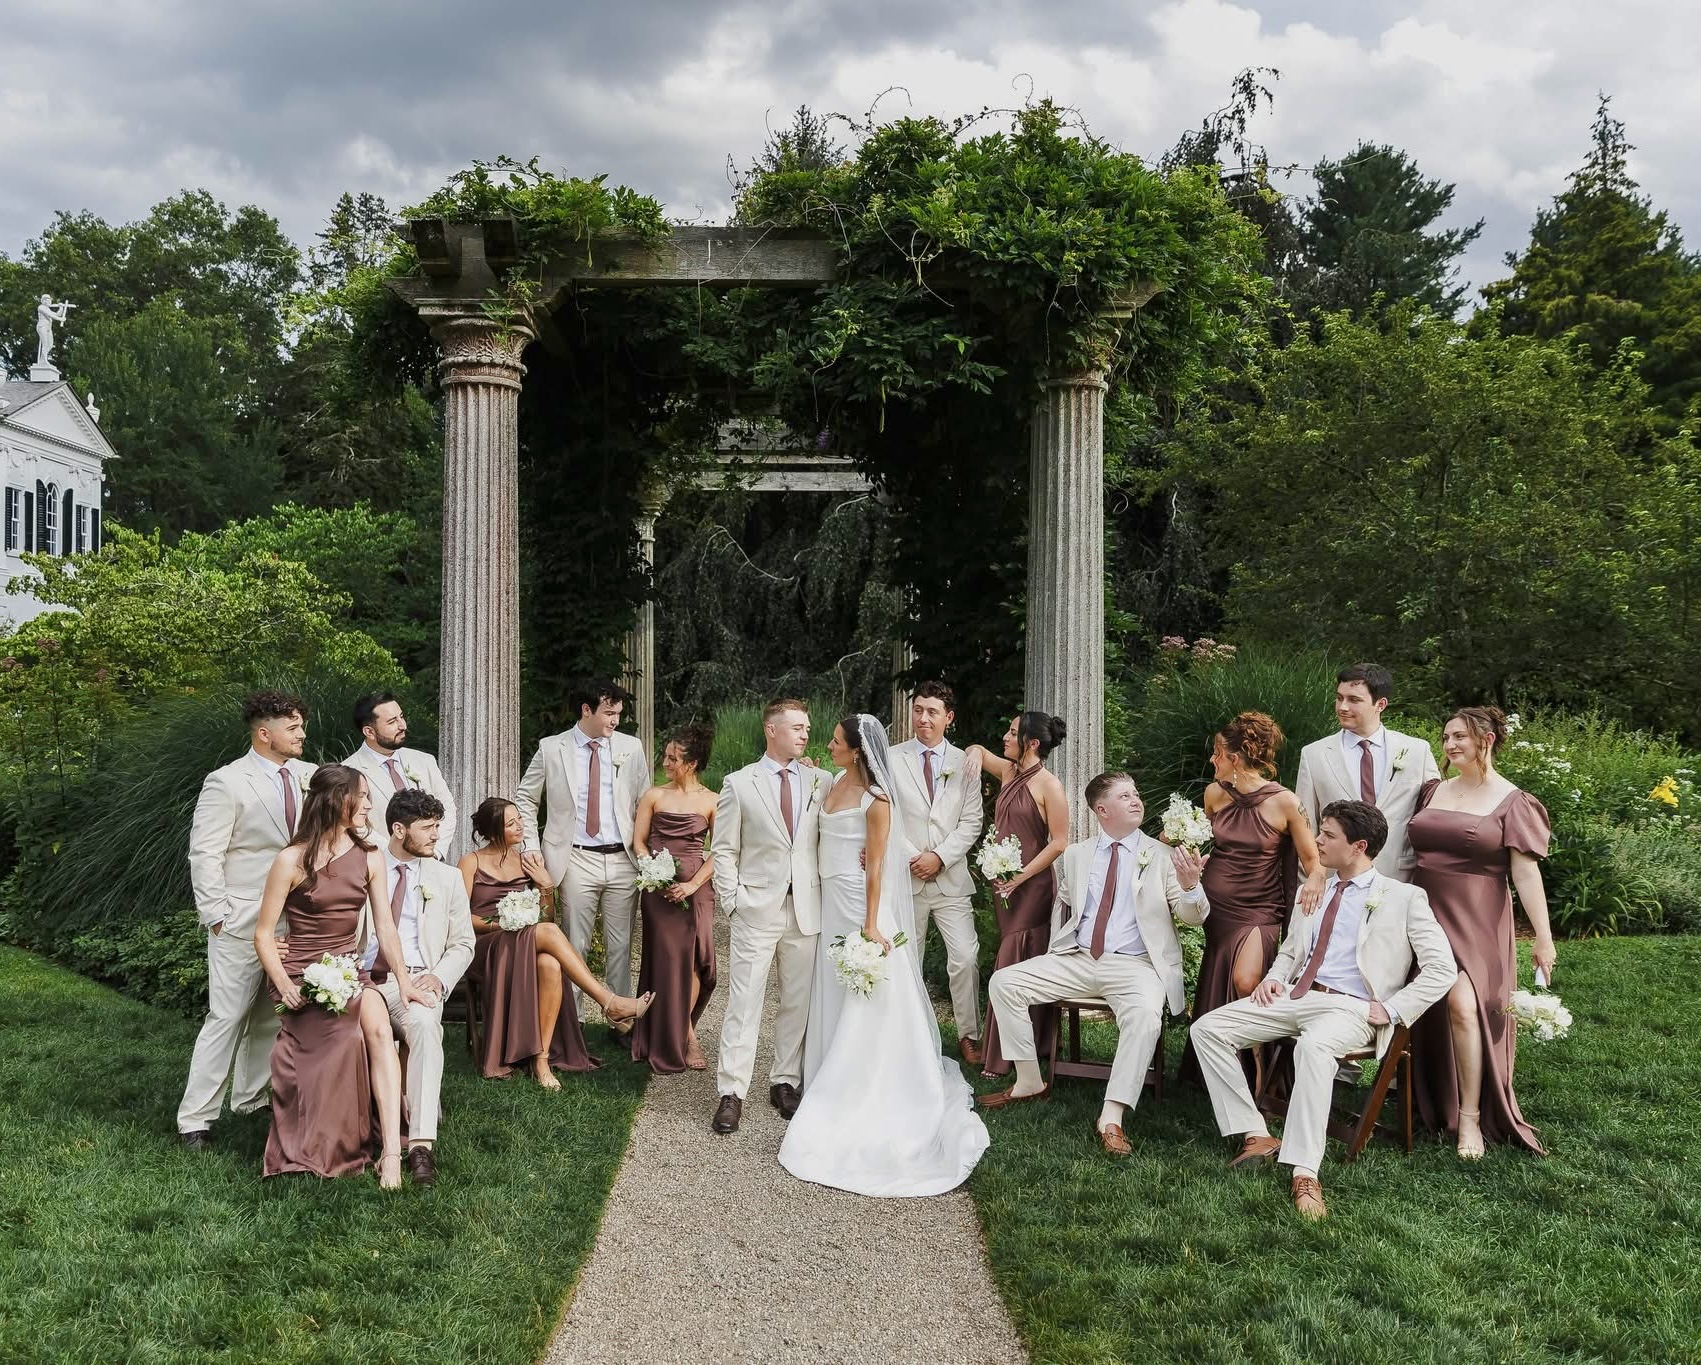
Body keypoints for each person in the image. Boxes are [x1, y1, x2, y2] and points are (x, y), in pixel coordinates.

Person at [1190, 801, 1457, 1220]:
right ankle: (1256, 1133)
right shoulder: (1311, 889)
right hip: (1297, 995)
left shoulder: (1404, 898)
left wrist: (1392, 1008)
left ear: (1359, 846)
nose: (1316, 841)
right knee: (1208, 1028)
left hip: (1352, 1008)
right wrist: (1275, 976)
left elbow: (1444, 969)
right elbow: (1294, 950)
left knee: (1313, 1049)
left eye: (1328, 835)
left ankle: (1305, 1171)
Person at [778, 714, 989, 1195]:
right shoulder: (829, 781)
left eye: (834, 741)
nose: (828, 746)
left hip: (858, 902)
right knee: (831, 983)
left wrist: (872, 922)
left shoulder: (877, 800)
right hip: (829, 901)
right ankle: (827, 1068)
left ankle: (865, 1082)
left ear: (856, 751)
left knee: (868, 992)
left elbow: (875, 866)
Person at [980, 772, 1208, 1157]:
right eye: (1125, 796)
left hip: (1136, 966)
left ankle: (1111, 1116)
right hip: (1080, 958)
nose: (1136, 800)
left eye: (1136, 793)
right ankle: (1029, 1081)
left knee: (1145, 1017)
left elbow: (1193, 917)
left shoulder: (1164, 856)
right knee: (1004, 982)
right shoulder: (1076, 855)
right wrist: (1057, 949)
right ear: (1102, 810)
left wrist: (1190, 886)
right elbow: (1065, 906)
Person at [255, 765, 426, 1187]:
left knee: (380, 1030)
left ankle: (389, 1153)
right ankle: (327, 1137)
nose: (370, 804)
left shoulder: (370, 856)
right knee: (344, 1041)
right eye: (363, 796)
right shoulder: (291, 860)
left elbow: (385, 926)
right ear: (336, 801)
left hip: (349, 970)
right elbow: (262, 935)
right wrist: (285, 984)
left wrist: (403, 983)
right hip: (301, 974)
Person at [1408, 706, 1556, 1159]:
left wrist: (1543, 939)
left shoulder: (1513, 801)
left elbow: (1526, 874)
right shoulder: (1433, 789)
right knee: (1428, 1005)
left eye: (1460, 738)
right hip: (1421, 911)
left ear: (1486, 741)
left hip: (1477, 917)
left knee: (1463, 1006)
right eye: (1447, 736)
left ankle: (1469, 1118)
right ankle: (1427, 1094)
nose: (1450, 745)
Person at [177, 691, 317, 1151]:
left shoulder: (309, 777)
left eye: (301, 725)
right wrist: (217, 915)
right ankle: (195, 1119)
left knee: (270, 1017)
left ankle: (251, 1100)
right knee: (227, 1017)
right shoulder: (227, 782)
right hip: (240, 920)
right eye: (292, 727)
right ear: (264, 733)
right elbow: (206, 851)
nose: (302, 734)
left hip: (294, 919)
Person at [459, 798, 652, 1087]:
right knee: (547, 933)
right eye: (510, 823)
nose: (520, 826)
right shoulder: (470, 862)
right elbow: (460, 918)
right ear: (493, 830)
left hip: (522, 943)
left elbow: (545, 916)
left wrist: (546, 886)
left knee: (549, 963)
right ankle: (608, 1001)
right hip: (486, 948)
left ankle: (541, 1060)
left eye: (519, 819)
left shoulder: (527, 861)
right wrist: (502, 924)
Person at [1178, 712, 1322, 1086]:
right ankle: (1220, 1066)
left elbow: (1313, 861)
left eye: (1217, 753)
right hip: (1217, 907)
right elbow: (1204, 842)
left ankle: (1259, 1067)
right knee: (1223, 975)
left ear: (1235, 759)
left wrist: (1316, 881)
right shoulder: (1214, 794)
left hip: (1261, 907)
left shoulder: (1286, 802)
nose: (1212, 760)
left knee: (1246, 980)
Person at [709, 699, 830, 1135]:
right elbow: (723, 850)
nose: (804, 734)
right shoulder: (739, 784)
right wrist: (734, 901)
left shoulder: (823, 780)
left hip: (806, 910)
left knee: (796, 1002)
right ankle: (731, 1092)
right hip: (756, 908)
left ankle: (784, 1081)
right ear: (771, 730)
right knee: (744, 1002)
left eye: (807, 727)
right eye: (797, 727)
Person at [361, 788, 474, 1187]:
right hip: (364, 980)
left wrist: (439, 977)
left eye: (438, 826)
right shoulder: (365, 868)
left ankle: (421, 1145)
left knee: (426, 1026)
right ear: (397, 829)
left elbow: (463, 943)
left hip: (418, 978)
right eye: (427, 827)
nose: (436, 835)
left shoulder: (447, 878)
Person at [517, 680, 649, 1015]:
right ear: (586, 710)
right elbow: (526, 798)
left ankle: (622, 1018)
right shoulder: (552, 747)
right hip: (574, 857)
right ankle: (572, 1025)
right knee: (576, 943)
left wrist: (645, 853)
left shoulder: (631, 748)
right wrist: (530, 844)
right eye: (608, 713)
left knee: (621, 946)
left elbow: (643, 802)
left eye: (618, 713)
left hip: (623, 858)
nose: (615, 720)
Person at [963, 712, 1070, 1077]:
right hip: (1003, 884)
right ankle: (1028, 1045)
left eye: (1012, 732)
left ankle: (1004, 1055)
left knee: (1018, 959)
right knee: (1012, 955)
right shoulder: (1008, 772)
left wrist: (1020, 877)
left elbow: (1059, 842)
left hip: (1032, 886)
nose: (1005, 737)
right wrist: (975, 754)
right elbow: (976, 749)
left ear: (1032, 743)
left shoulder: (1049, 785)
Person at [890, 682, 986, 1065]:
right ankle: (904, 1035)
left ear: (949, 717)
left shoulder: (966, 762)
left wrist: (940, 858)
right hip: (907, 876)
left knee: (964, 957)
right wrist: (916, 857)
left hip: (950, 879)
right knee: (904, 958)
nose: (923, 718)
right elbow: (885, 815)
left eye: (932, 711)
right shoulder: (892, 759)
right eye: (918, 709)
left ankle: (969, 1035)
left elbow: (972, 820)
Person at [1294, 663, 1440, 880]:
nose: (1342, 707)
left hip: (1400, 879)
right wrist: (1312, 879)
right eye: (1339, 697)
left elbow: (1434, 817)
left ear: (1380, 704)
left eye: (1354, 700)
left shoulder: (1417, 751)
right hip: (1336, 881)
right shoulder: (1314, 754)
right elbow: (1305, 828)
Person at [629, 725, 719, 1073]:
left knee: (696, 960)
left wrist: (692, 885)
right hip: (658, 890)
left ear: (692, 763)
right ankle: (685, 1034)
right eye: (666, 755)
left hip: (696, 890)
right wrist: (652, 869)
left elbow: (720, 851)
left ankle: (684, 1028)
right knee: (667, 960)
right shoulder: (653, 796)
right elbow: (639, 841)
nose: (665, 762)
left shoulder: (712, 800)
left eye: (672, 758)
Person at [342, 692, 458, 858]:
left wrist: (435, 851)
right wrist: (395, 854)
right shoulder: (348, 770)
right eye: (392, 722)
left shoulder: (424, 760)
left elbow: (448, 808)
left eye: (401, 717)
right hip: (381, 865)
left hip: (430, 862)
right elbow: (355, 824)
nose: (402, 725)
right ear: (369, 731)